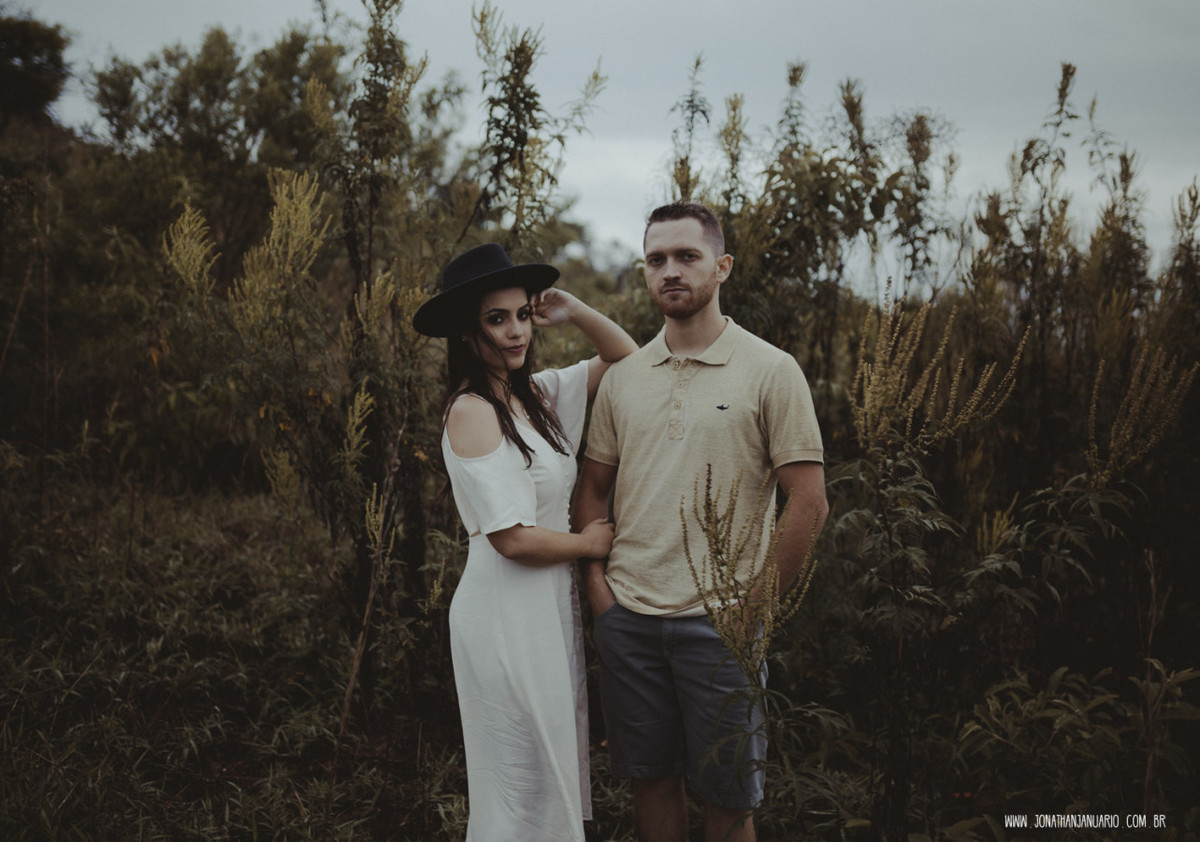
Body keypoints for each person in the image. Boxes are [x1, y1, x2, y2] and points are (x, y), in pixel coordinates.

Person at [574, 202, 829, 842]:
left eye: (687, 256)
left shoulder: (772, 370)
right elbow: (592, 491)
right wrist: (600, 593)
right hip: (629, 620)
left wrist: (753, 607)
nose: (670, 271)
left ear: (722, 266)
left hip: (723, 625)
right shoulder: (623, 379)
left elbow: (810, 502)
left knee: (728, 796)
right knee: (651, 783)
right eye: (657, 259)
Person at [412, 243, 637, 842]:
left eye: (520, 315)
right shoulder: (472, 411)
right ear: (465, 330)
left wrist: (576, 309)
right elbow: (510, 538)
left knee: (549, 776)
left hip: (545, 608)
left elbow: (626, 359)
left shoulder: (534, 396)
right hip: (504, 610)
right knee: (517, 786)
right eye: (495, 318)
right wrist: (591, 544)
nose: (515, 332)